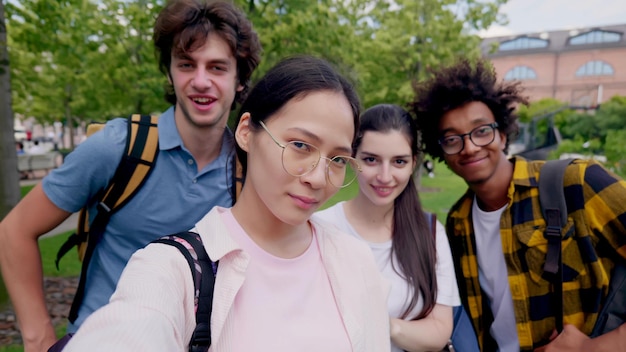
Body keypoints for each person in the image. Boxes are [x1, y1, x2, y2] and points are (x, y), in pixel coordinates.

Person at [62, 55, 390, 351]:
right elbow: (132, 328)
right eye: (301, 145)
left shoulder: (355, 260)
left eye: (337, 159)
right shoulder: (171, 268)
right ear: (246, 132)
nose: (318, 178)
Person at [0, 1, 261, 351]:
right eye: (186, 65)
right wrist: (38, 338)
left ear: (240, 80)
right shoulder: (117, 146)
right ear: (170, 72)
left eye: (217, 67)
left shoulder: (250, 168)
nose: (201, 81)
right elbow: (14, 231)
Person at [411, 58, 626, 351]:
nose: (470, 146)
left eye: (481, 130)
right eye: (452, 139)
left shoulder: (577, 183)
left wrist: (595, 348)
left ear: (501, 134)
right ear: (442, 152)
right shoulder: (458, 222)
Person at [316, 104, 460, 352]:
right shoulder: (319, 227)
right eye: (371, 159)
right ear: (353, 159)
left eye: (399, 162)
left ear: (413, 163)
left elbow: (439, 330)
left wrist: (384, 324)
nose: (385, 176)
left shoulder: (430, 233)